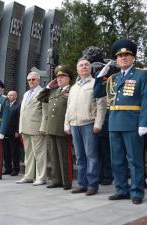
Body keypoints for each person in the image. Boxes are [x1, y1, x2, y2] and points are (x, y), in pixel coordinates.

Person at [101, 39, 147, 204]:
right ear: (116, 60)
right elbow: (97, 92)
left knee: (134, 160)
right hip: (114, 123)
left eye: (127, 55)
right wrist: (100, 76)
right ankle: (121, 189)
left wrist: (144, 123)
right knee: (116, 160)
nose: (123, 58)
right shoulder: (113, 78)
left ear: (133, 58)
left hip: (132, 123)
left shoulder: (141, 75)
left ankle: (137, 192)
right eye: (120, 56)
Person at [64, 58, 107, 196]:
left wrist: (98, 124)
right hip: (74, 124)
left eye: (86, 65)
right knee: (80, 156)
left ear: (90, 68)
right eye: (81, 65)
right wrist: (67, 123)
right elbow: (69, 107)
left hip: (89, 124)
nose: (84, 67)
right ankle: (82, 184)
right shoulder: (73, 87)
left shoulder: (96, 83)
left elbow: (101, 105)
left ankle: (92, 185)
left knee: (91, 156)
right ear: (77, 69)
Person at [37, 64, 74, 190]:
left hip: (63, 127)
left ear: (68, 78)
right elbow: (40, 98)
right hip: (51, 127)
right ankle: (56, 180)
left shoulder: (72, 90)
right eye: (57, 77)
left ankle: (66, 181)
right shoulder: (54, 91)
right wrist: (48, 87)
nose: (59, 79)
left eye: (62, 76)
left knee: (64, 155)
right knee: (53, 155)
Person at [16, 72, 47, 186]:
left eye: (33, 79)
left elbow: (45, 111)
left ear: (38, 80)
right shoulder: (26, 93)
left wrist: (43, 126)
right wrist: (20, 128)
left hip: (37, 128)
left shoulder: (43, 92)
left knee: (39, 154)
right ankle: (28, 176)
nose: (31, 82)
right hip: (25, 128)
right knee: (28, 154)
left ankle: (41, 177)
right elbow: (23, 112)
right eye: (29, 80)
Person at [2, 90, 21, 176]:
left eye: (11, 95)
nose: (9, 97)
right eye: (8, 95)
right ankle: (8, 168)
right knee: (6, 152)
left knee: (14, 152)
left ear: (16, 96)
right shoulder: (5, 105)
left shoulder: (18, 105)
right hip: (5, 132)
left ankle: (15, 169)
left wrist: (17, 131)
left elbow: (19, 119)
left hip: (13, 132)